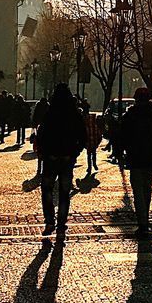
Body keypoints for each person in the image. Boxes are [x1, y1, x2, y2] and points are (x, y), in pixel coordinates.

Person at [34, 83, 86, 234]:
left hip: (51, 158)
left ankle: (50, 221)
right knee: (64, 192)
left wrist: (44, 153)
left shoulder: (50, 112)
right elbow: (83, 137)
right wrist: (74, 153)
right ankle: (61, 223)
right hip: (67, 159)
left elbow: (41, 134)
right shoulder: (74, 114)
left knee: (47, 190)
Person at [117, 88, 152, 231]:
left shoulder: (130, 114)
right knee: (147, 188)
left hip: (135, 157)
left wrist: (121, 153)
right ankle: (145, 216)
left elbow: (123, 136)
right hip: (151, 157)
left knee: (138, 190)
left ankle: (143, 221)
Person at [31, 91, 49, 178]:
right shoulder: (48, 107)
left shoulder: (38, 106)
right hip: (46, 131)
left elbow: (35, 116)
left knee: (40, 154)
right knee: (45, 154)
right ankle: (44, 169)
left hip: (40, 130)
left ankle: (39, 169)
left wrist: (34, 124)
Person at [81, 100, 102, 175]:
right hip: (94, 143)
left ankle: (89, 167)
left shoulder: (86, 127)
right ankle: (94, 164)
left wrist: (84, 144)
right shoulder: (95, 127)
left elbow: (83, 136)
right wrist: (97, 143)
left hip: (88, 144)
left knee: (89, 155)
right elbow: (99, 136)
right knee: (93, 154)